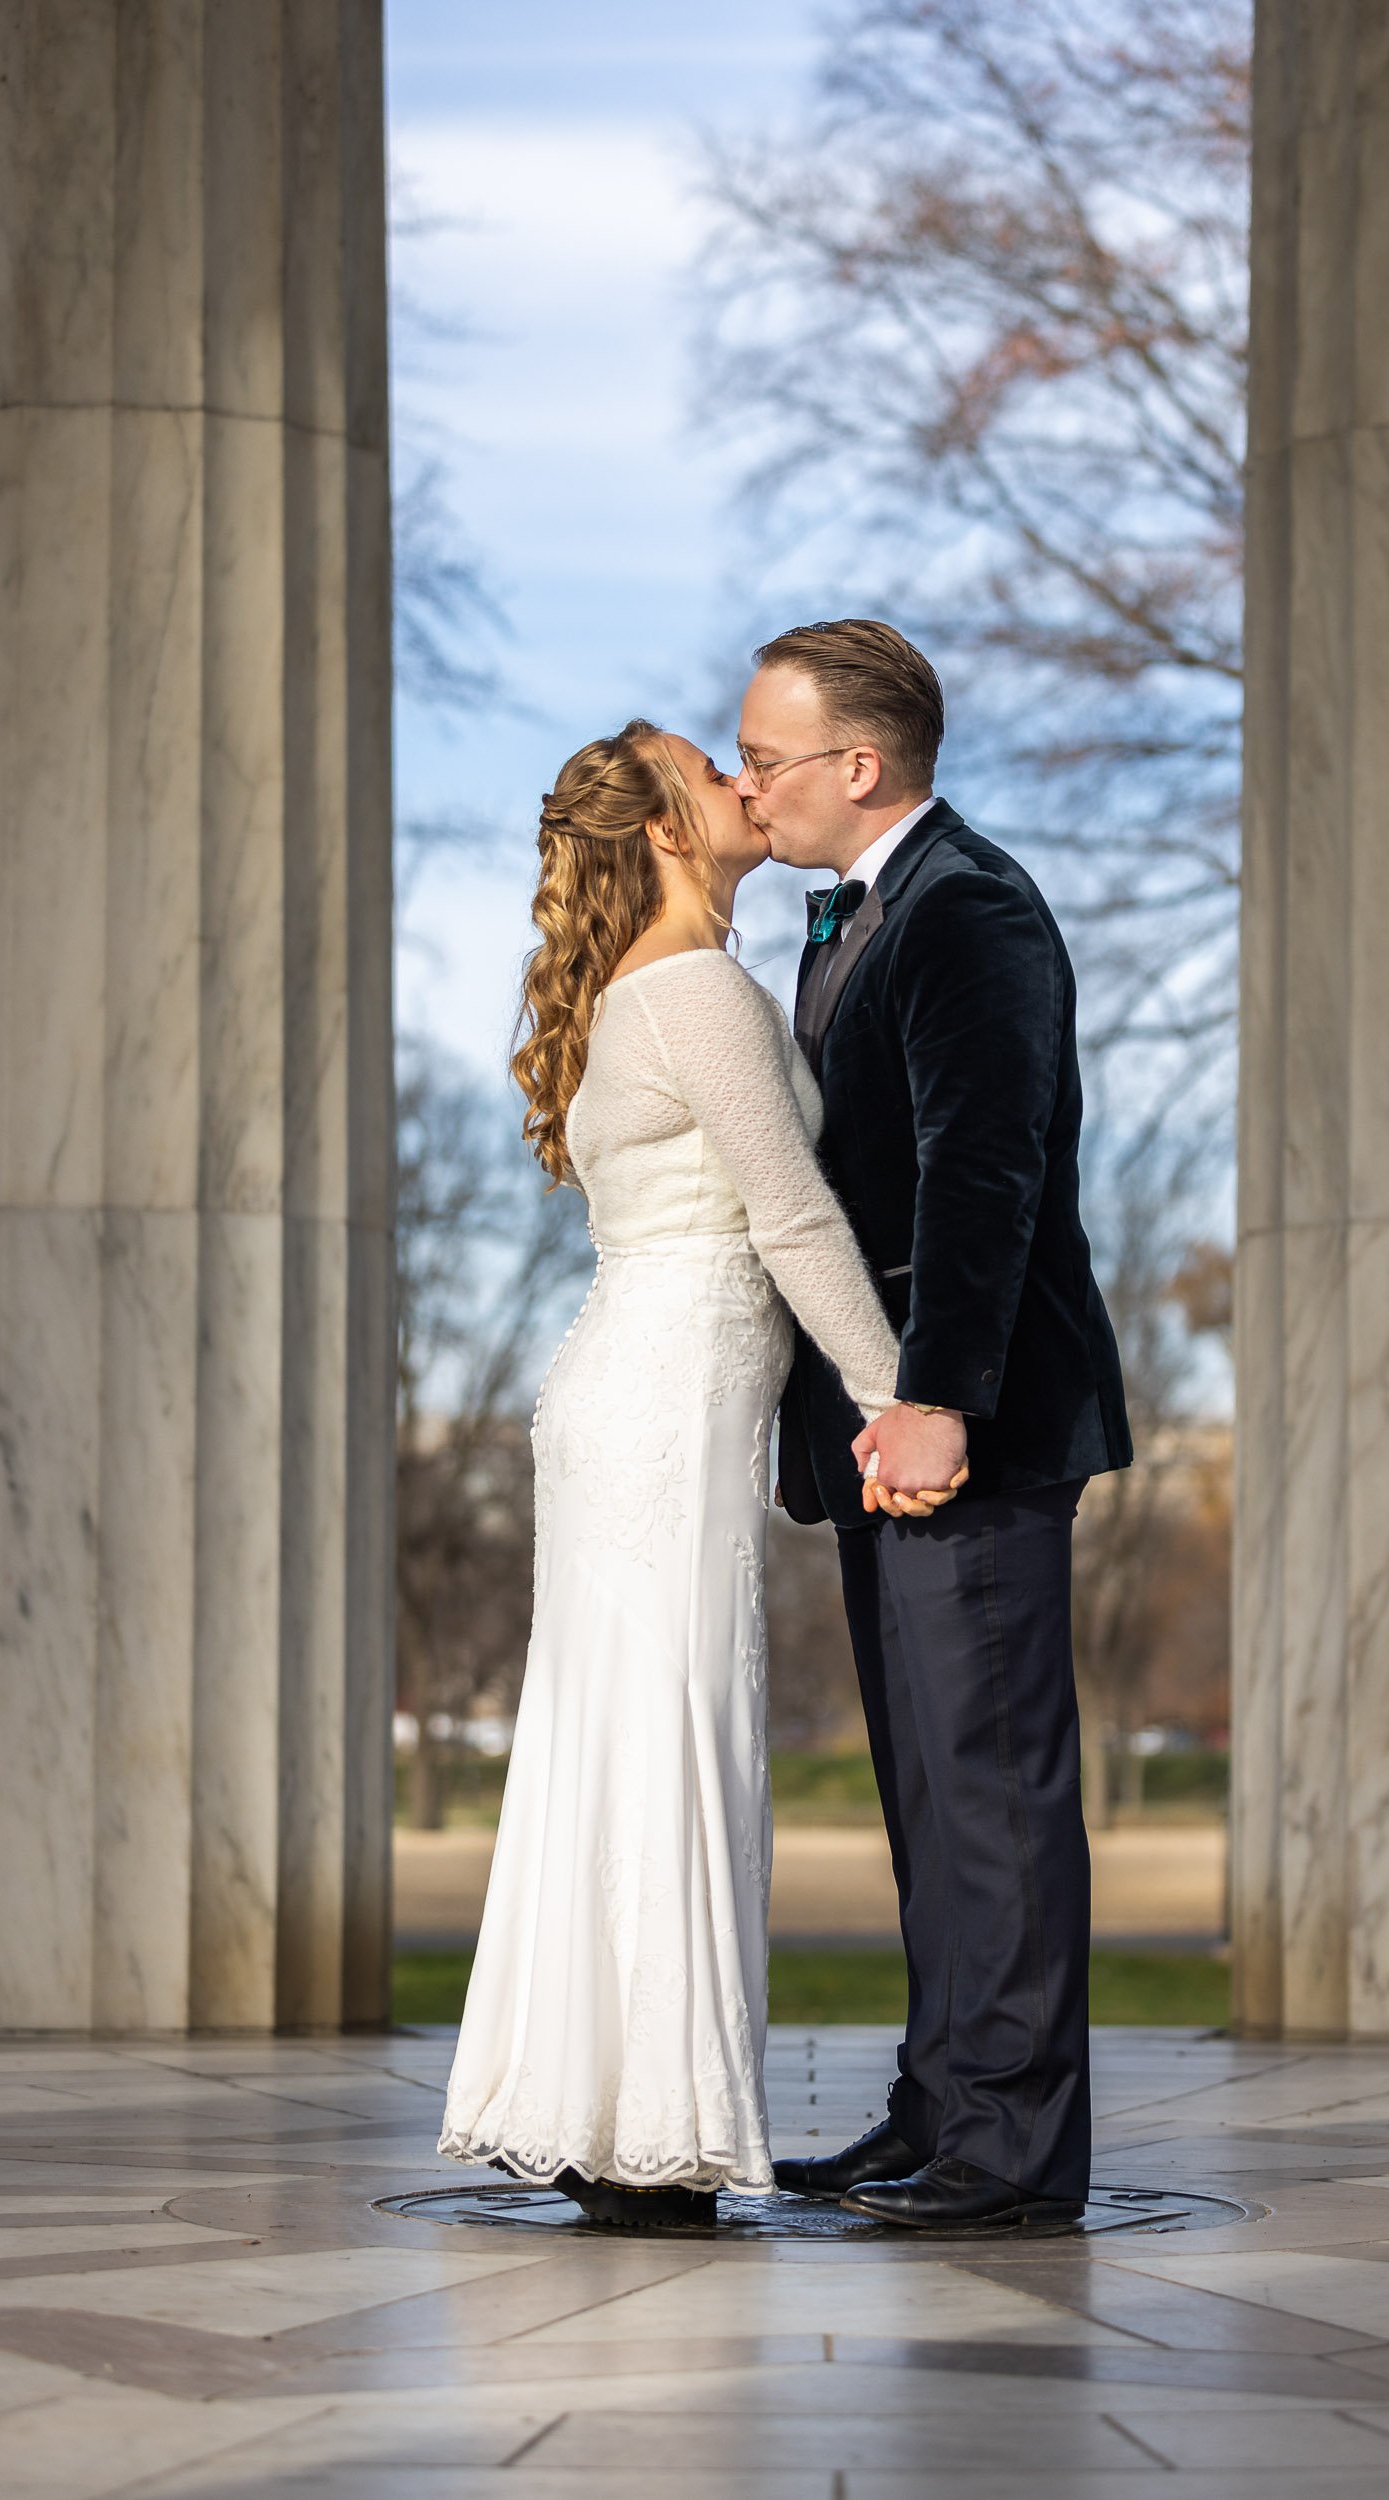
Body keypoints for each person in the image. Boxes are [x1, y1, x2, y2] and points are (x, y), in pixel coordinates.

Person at [437, 720, 957, 2229]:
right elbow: (792, 1221)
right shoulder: (696, 992)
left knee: (628, 1741)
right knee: (671, 1738)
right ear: (666, 831)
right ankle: (647, 2142)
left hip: (633, 1402)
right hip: (658, 1413)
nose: (744, 783)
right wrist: (896, 1399)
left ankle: (617, 2128)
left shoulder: (639, 992)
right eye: (707, 770)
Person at [749, 620, 1132, 2235]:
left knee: (990, 1790)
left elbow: (988, 1174)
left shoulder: (969, 908)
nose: (749, 782)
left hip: (958, 1426)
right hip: (882, 1427)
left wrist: (937, 1403)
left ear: (862, 765)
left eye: (769, 757)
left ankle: (1015, 2151)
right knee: (927, 1783)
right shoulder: (853, 919)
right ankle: (940, 2104)